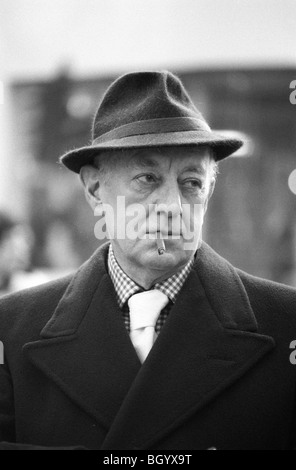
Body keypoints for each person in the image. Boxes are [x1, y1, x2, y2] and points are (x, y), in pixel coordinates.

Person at [0, 71, 296, 451]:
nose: (172, 207)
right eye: (147, 178)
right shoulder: (11, 329)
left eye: (192, 182)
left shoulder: (285, 325)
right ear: (94, 188)